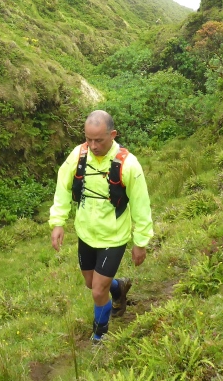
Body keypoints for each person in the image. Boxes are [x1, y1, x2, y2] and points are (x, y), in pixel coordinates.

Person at [49, 110, 153, 342]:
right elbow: (63, 186)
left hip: (113, 237)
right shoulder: (79, 155)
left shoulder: (128, 164)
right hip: (85, 233)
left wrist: (140, 242)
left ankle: (99, 336)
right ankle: (119, 288)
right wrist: (58, 222)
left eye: (99, 140)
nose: (93, 146)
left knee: (98, 291)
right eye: (89, 139)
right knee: (91, 283)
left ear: (112, 135)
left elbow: (141, 205)